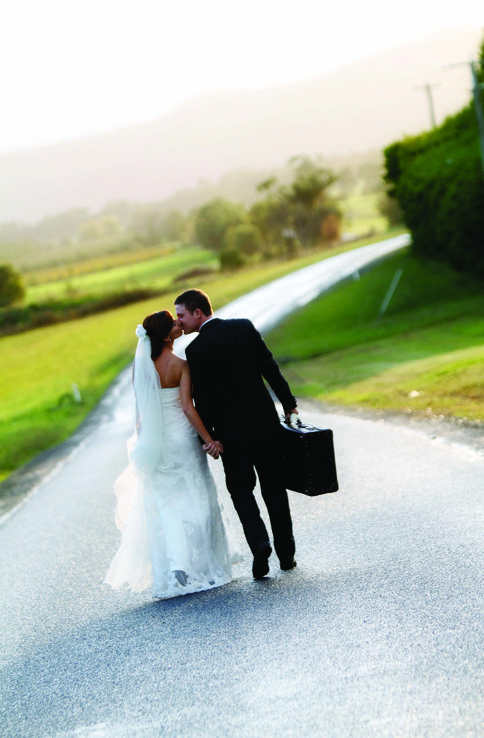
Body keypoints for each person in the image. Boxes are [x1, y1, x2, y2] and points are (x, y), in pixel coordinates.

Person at [104, 310, 232, 600]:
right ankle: (203, 567)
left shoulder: (141, 367)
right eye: (174, 324)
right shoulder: (180, 365)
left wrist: (144, 442)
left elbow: (141, 411)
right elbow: (187, 407)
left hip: (156, 442)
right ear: (165, 335)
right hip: (182, 440)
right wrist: (209, 439)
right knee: (197, 499)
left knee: (165, 507)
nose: (178, 325)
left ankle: (174, 566)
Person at [174, 288, 298, 579]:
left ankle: (259, 544)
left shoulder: (196, 350)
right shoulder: (244, 327)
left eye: (181, 315)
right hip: (265, 425)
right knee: (274, 489)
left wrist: (211, 438)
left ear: (198, 313)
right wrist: (289, 402)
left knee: (241, 491)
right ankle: (287, 555)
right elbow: (270, 367)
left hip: (231, 437)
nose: (179, 322)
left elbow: (203, 399)